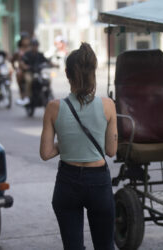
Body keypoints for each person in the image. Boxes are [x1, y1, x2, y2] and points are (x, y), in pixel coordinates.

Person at [40, 42, 117, 249]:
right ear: (93, 72)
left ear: (67, 74)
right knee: (105, 246)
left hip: (67, 182)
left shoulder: (54, 107)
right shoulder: (108, 106)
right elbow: (111, 150)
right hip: (98, 182)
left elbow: (46, 153)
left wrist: (65, 142)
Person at [16, 39, 53, 106]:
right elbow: (22, 62)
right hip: (30, 72)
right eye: (33, 45)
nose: (35, 47)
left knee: (48, 79)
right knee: (29, 80)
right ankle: (27, 97)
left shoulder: (40, 54)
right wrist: (25, 66)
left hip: (39, 73)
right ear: (31, 46)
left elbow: (47, 61)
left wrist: (54, 64)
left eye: (36, 45)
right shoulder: (27, 54)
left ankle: (48, 93)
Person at [11, 34, 30, 100]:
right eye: (25, 40)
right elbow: (12, 60)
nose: (26, 41)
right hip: (22, 69)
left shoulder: (31, 49)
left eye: (27, 39)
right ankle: (22, 93)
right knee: (19, 74)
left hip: (31, 68)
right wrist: (15, 68)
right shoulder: (18, 51)